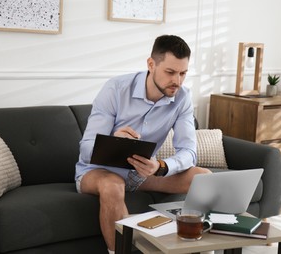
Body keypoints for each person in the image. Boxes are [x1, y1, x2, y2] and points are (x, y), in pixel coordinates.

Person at [75, 35, 211, 253]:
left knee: (203, 178)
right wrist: (113, 142)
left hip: (142, 174)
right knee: (113, 186)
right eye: (170, 72)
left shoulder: (183, 97)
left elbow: (189, 152)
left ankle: (198, 248)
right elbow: (86, 149)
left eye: (183, 73)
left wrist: (161, 167)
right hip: (98, 172)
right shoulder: (116, 89)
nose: (177, 80)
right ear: (151, 64)